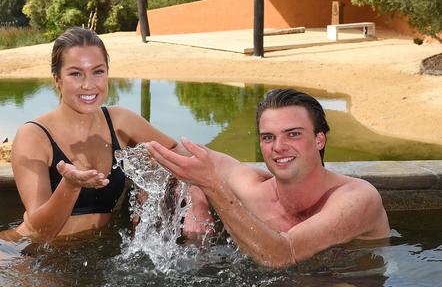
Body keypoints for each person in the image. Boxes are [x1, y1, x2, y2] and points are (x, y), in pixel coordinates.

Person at [0, 27, 211, 243]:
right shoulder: (33, 136)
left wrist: (196, 194)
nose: (89, 85)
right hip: (23, 254)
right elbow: (40, 232)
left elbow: (177, 154)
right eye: (75, 74)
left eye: (98, 71)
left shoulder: (120, 122)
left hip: (90, 251)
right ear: (56, 79)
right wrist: (70, 185)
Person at [147, 88, 390, 268]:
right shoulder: (253, 188)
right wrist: (197, 195)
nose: (279, 147)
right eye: (268, 137)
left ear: (319, 139)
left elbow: (282, 255)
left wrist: (210, 185)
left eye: (293, 134)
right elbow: (179, 152)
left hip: (348, 286)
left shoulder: (357, 198)